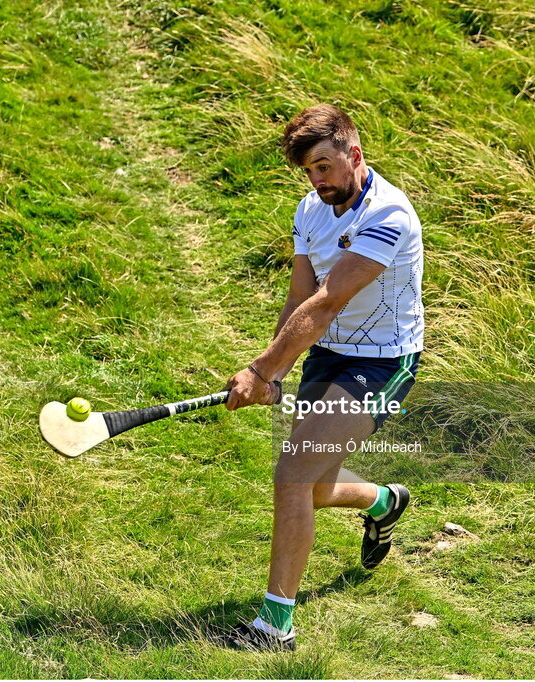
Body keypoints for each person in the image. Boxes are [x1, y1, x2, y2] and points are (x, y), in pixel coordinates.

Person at [217, 104, 425, 651]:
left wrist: (263, 369)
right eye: (309, 170)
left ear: (354, 156)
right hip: (326, 354)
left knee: (291, 475)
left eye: (325, 167)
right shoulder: (310, 209)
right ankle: (384, 502)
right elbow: (301, 297)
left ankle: (275, 626)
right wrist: (276, 368)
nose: (318, 180)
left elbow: (331, 299)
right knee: (312, 483)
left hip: (382, 362)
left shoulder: (388, 215)